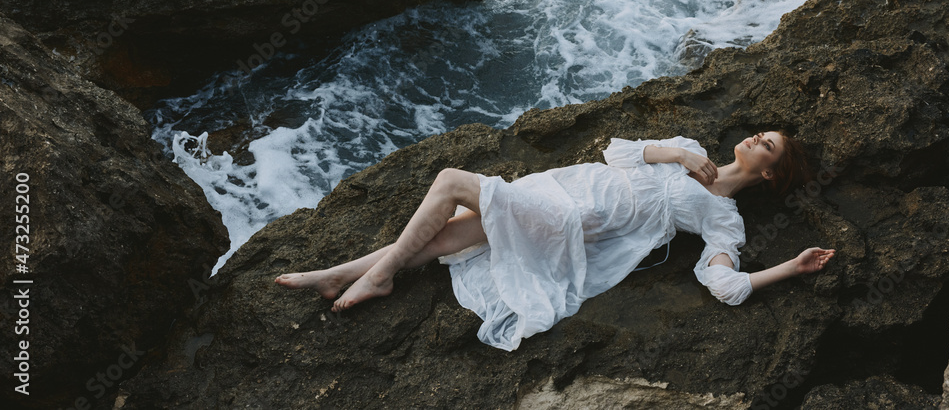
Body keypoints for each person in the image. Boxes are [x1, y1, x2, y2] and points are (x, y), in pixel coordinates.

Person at [275, 132, 835, 350]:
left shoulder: (723, 218)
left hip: (575, 219)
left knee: (449, 182)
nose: (758, 136)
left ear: (769, 174)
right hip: (559, 187)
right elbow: (616, 152)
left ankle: (379, 275)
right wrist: (679, 154)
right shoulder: (690, 149)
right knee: (449, 237)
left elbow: (725, 283)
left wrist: (788, 267)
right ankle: (339, 274)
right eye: (762, 132)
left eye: (771, 147)